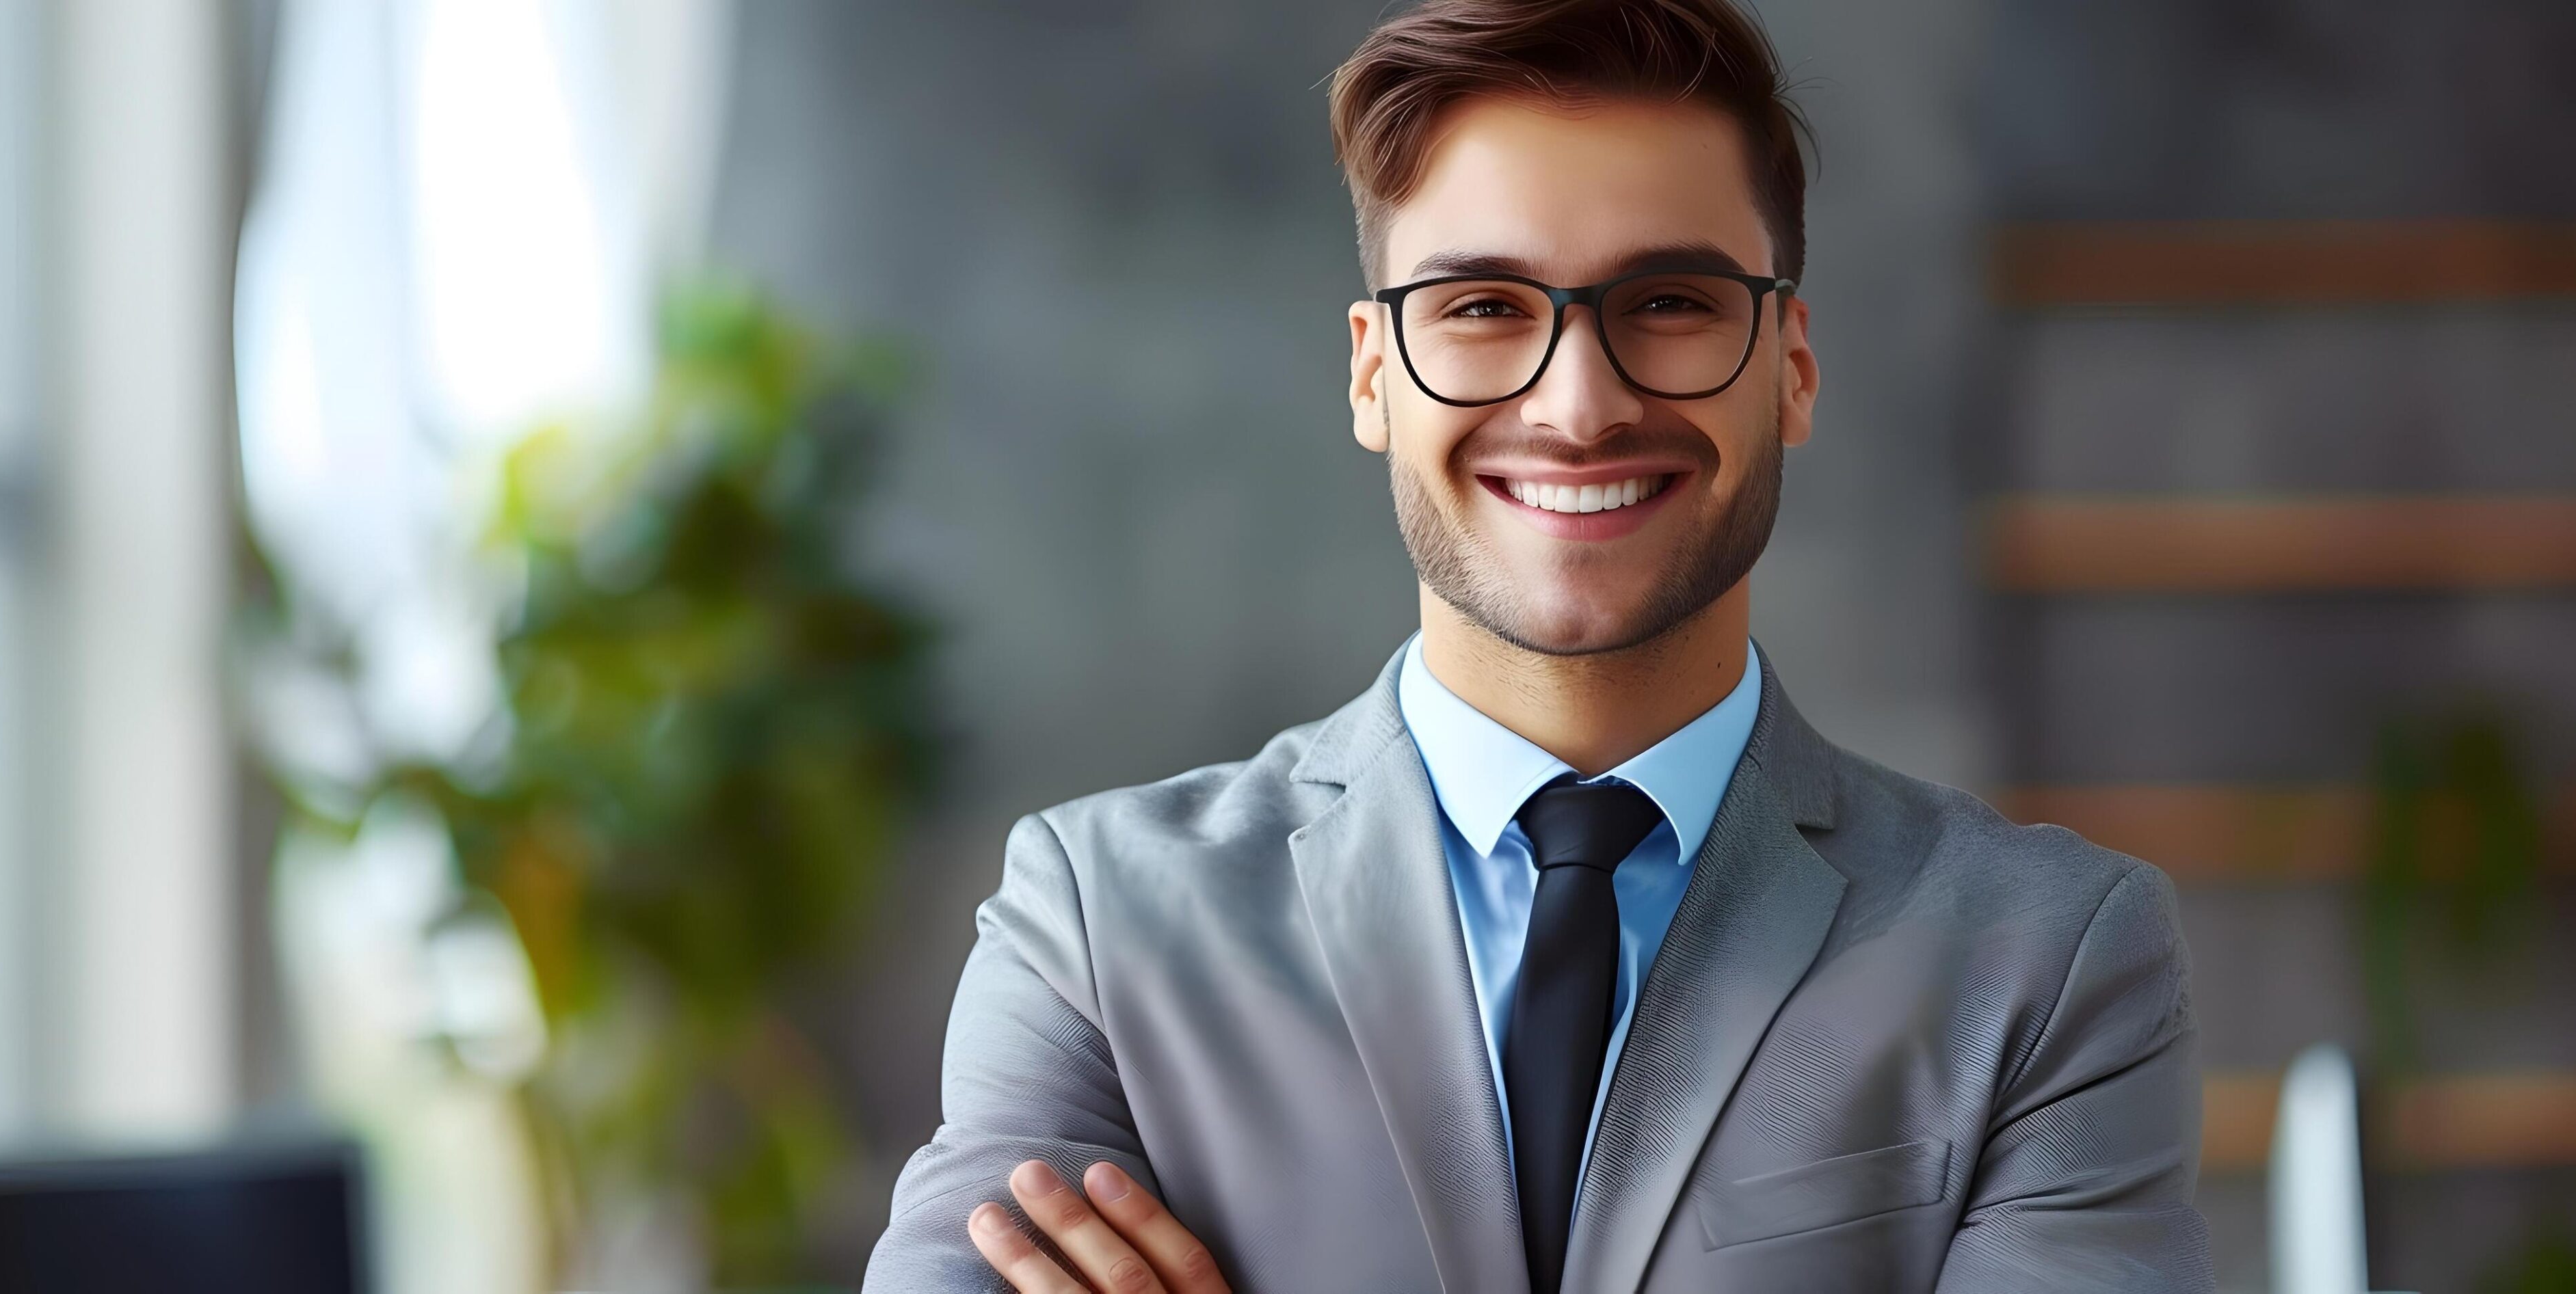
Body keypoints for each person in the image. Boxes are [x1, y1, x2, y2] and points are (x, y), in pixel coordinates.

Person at [861, 1, 2208, 1289]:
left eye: (1669, 303)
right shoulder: (1097, 927)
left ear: (1788, 362)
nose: (1578, 407)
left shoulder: (2046, 958)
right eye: (1483, 307)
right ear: (1371, 373)